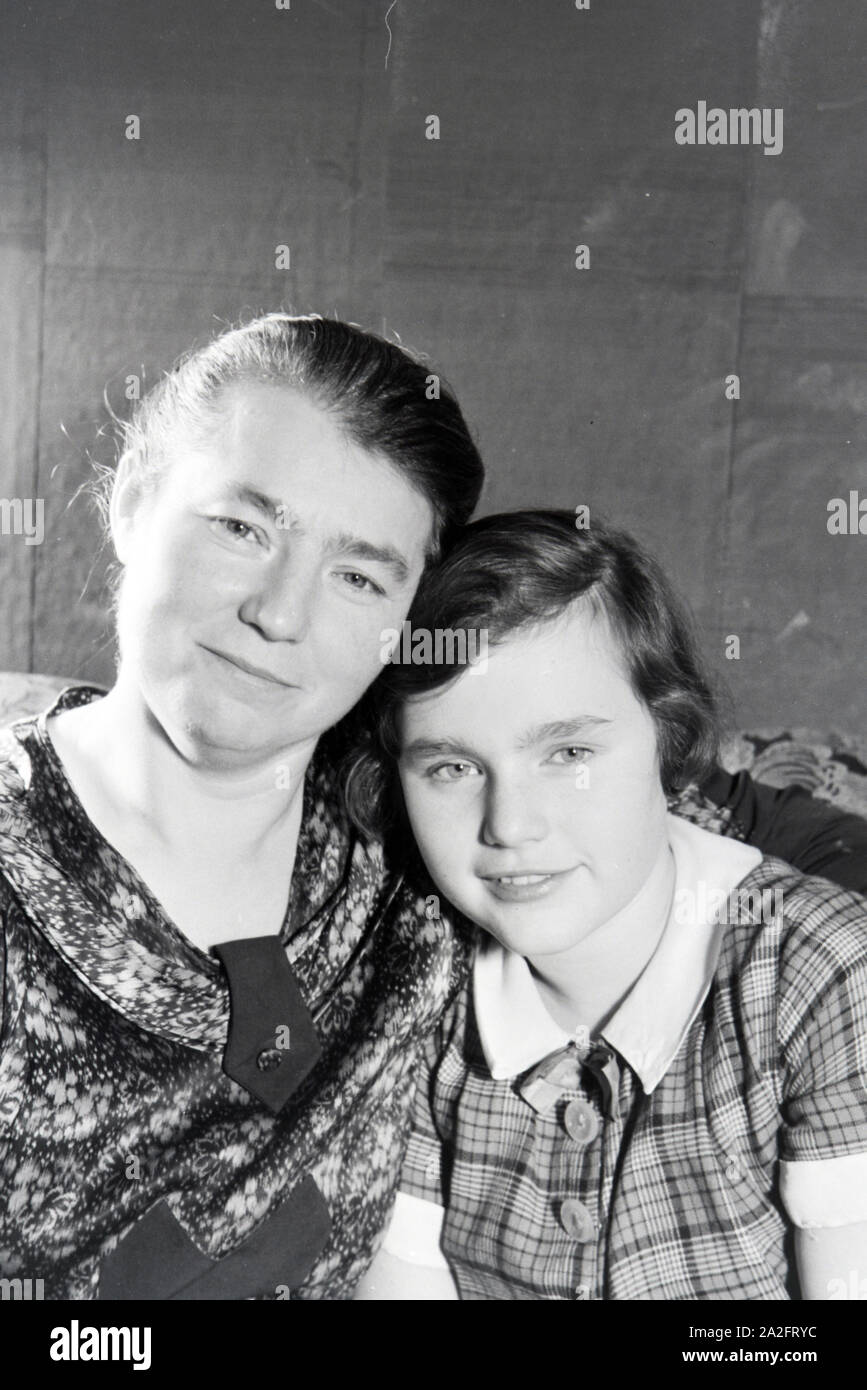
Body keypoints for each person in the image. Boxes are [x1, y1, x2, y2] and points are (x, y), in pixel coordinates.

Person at [0, 318, 865, 1301]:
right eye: (241, 528)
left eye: (360, 575)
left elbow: (743, 825)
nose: (280, 613)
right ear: (132, 502)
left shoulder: (415, 834)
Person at [352, 510, 867, 1300]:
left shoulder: (819, 972)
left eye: (568, 754)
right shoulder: (417, 989)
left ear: (668, 740)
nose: (510, 826)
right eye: (452, 767)